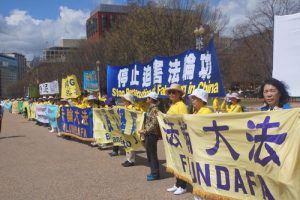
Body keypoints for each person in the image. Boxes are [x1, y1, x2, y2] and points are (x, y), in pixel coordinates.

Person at [165, 84, 188, 195]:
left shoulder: (181, 106)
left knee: (182, 162)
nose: (171, 94)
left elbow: (184, 122)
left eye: (174, 92)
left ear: (179, 94)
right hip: (172, 137)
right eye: (170, 92)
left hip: (180, 138)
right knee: (176, 162)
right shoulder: (173, 105)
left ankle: (183, 185)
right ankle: (178, 183)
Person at [189, 89, 212, 200]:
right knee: (196, 172)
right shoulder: (195, 112)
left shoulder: (206, 111)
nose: (193, 101)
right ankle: (197, 195)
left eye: (195, 99)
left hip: (203, 148)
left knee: (203, 173)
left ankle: (203, 196)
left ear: (202, 100)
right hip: (195, 147)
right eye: (192, 99)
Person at [138, 92, 160, 181]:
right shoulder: (150, 108)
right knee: (150, 154)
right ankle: (153, 172)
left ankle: (155, 174)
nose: (146, 99)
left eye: (148, 98)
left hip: (152, 134)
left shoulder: (154, 109)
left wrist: (145, 130)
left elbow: (154, 123)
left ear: (151, 99)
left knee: (152, 154)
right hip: (149, 134)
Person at [120, 93, 140, 167]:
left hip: (130, 129)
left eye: (125, 99)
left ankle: (131, 160)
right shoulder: (125, 107)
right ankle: (128, 159)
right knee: (126, 144)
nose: (123, 101)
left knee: (130, 144)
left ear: (128, 100)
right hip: (125, 128)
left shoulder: (133, 108)